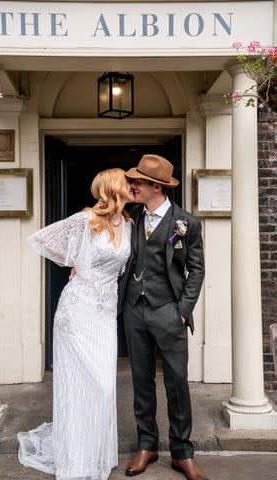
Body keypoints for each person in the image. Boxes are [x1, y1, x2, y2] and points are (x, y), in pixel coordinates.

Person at [17, 168, 134, 480]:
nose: (133, 187)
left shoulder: (129, 224)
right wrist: (76, 262)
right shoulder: (86, 220)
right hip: (77, 310)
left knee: (105, 386)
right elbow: (43, 237)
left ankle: (98, 454)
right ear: (115, 190)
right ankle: (76, 459)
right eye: (127, 184)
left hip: (106, 313)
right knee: (83, 385)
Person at [118, 154, 207, 480]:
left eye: (137, 182)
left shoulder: (186, 223)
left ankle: (182, 452)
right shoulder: (131, 218)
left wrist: (183, 311)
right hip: (134, 310)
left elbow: (196, 270)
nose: (132, 186)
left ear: (155, 186)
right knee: (140, 380)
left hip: (169, 312)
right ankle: (147, 444)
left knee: (177, 383)